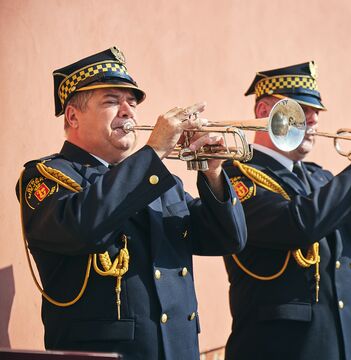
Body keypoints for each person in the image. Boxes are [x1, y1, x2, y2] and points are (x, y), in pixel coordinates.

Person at [16, 47, 247, 360]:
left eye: (132, 102)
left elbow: (228, 239)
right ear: (73, 116)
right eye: (112, 101)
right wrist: (152, 153)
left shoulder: (160, 183)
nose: (128, 111)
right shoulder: (46, 177)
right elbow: (84, 227)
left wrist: (213, 173)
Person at [222, 61, 351, 360]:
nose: (313, 119)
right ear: (264, 113)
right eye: (300, 109)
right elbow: (297, 225)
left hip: (342, 345)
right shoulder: (238, 177)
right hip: (282, 350)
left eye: (316, 111)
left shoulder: (321, 178)